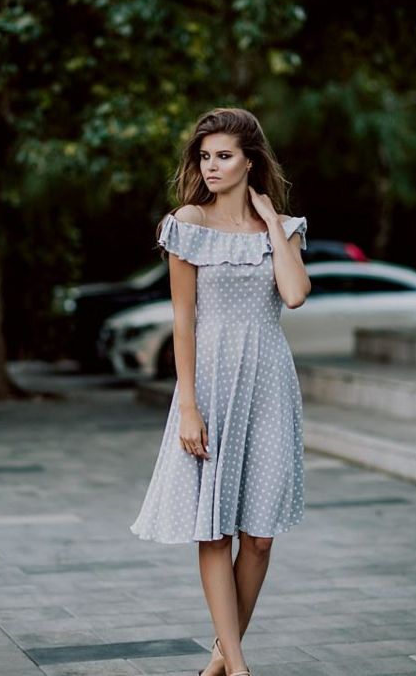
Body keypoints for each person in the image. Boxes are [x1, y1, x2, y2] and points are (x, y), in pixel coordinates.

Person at [129, 108, 311, 676]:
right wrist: (188, 406)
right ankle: (236, 666)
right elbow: (183, 321)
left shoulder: (282, 228)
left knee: (259, 538)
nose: (211, 166)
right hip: (208, 383)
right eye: (205, 156)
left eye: (224, 156)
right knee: (214, 529)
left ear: (249, 162)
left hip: (270, 386)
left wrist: (272, 222)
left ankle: (219, 656)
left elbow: (295, 293)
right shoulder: (187, 223)